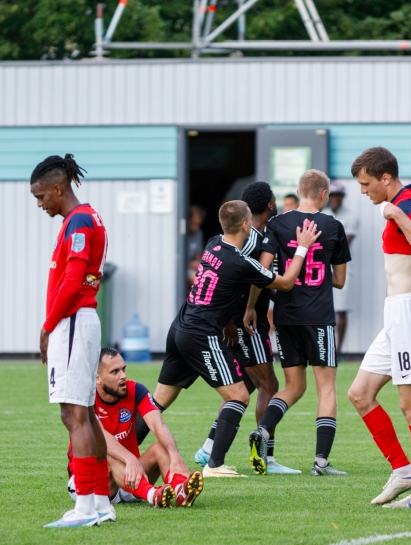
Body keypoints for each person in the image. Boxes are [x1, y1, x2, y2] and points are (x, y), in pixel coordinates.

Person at [148, 200, 320, 478]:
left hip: (179, 326)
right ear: (245, 225)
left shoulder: (213, 244)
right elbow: (286, 282)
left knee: (157, 403)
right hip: (200, 334)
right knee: (239, 395)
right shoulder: (240, 263)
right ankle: (214, 464)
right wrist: (302, 247)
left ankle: (121, 450)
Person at [346, 147, 411, 509]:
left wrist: (398, 213)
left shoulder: (404, 204)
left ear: (385, 178)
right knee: (360, 394)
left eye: (366, 184)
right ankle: (403, 471)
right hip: (396, 315)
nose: (364, 191)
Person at [250, 170, 351, 477]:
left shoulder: (277, 224)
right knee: (326, 389)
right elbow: (340, 281)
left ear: (299, 190)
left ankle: (263, 430)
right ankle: (321, 462)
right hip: (318, 316)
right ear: (323, 194)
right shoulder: (333, 226)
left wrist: (251, 306)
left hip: (286, 316)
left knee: (294, 386)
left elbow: (262, 271)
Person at [195, 182, 300, 475]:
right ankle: (266, 457)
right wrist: (241, 314)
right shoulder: (253, 239)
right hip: (246, 322)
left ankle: (208, 447)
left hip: (242, 319)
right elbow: (246, 278)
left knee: (247, 385)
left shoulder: (249, 235)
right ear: (270, 205)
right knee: (269, 385)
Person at [31, 154, 111, 528]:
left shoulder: (78, 221)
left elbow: (73, 280)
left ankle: (84, 508)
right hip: (80, 321)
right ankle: (100, 503)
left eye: (41, 196)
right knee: (86, 413)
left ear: (58, 189)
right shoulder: (86, 217)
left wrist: (48, 327)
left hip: (74, 321)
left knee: (73, 414)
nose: (40, 204)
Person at [68, 348, 203, 509]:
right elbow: (101, 438)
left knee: (160, 448)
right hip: (91, 484)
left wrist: (175, 455)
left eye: (123, 369)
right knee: (106, 456)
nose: (123, 376)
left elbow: (158, 424)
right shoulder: (86, 399)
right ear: (97, 378)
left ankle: (180, 489)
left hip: (131, 478)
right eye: (115, 372)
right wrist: (129, 458)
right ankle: (153, 495)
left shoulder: (135, 390)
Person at [322, 181, 360, 362]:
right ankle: (324, 347)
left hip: (342, 267)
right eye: (332, 196)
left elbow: (344, 242)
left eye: (337, 196)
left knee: (341, 310)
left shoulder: (351, 216)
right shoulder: (322, 214)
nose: (334, 199)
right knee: (322, 308)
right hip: (322, 266)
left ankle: (338, 350)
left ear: (342, 197)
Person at [185, 205, 207, 290]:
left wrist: (198, 263)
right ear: (188, 220)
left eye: (198, 224)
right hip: (183, 268)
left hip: (193, 267)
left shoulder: (198, 233)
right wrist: (190, 265)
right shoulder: (180, 232)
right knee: (196, 279)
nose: (196, 227)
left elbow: (198, 254)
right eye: (194, 224)